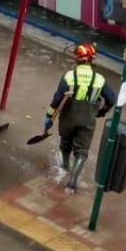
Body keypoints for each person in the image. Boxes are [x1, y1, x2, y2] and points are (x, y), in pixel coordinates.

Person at [42, 43, 117, 192]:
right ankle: (72, 183)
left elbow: (57, 99)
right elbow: (111, 99)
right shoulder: (99, 79)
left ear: (77, 59)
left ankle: (64, 167)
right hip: (87, 121)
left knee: (65, 144)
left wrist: (49, 117)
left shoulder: (69, 76)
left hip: (67, 119)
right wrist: (102, 111)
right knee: (82, 152)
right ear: (92, 60)